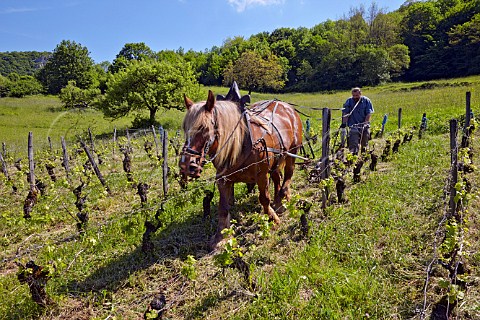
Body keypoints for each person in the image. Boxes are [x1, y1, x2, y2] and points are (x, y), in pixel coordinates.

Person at [341, 87, 374, 154]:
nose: (355, 97)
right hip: (353, 125)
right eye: (354, 96)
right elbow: (345, 112)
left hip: (364, 125)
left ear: (360, 94)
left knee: (364, 142)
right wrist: (344, 123)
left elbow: (368, 113)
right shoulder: (349, 101)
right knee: (353, 143)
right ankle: (353, 156)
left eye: (357, 95)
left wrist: (365, 123)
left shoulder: (366, 101)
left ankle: (363, 156)